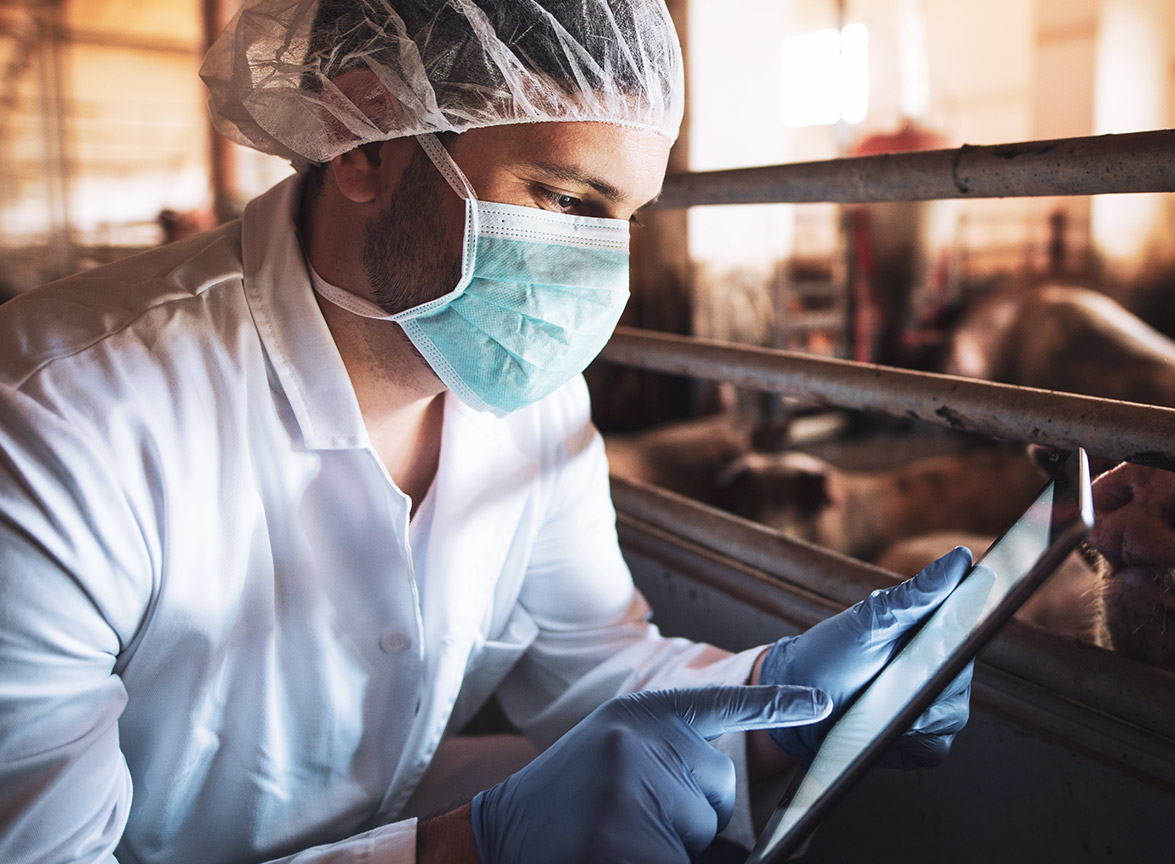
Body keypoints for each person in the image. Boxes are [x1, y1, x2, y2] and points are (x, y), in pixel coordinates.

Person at [0, 2, 980, 862]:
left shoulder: (521, 382)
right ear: (367, 136)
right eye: (564, 200)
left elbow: (590, 663)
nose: (603, 274)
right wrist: (470, 849)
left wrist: (785, 704)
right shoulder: (60, 423)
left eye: (625, 219)